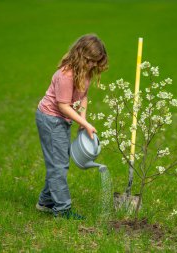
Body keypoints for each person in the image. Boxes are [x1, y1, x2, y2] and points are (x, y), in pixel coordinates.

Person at [35, 34, 108, 220]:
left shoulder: (86, 71)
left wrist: (83, 120)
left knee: (58, 162)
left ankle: (45, 201)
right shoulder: (66, 74)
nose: (92, 65)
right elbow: (63, 106)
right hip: (51, 119)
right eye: (90, 60)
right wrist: (84, 124)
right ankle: (62, 210)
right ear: (80, 54)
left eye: (96, 62)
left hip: (63, 118)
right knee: (59, 165)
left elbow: (83, 96)